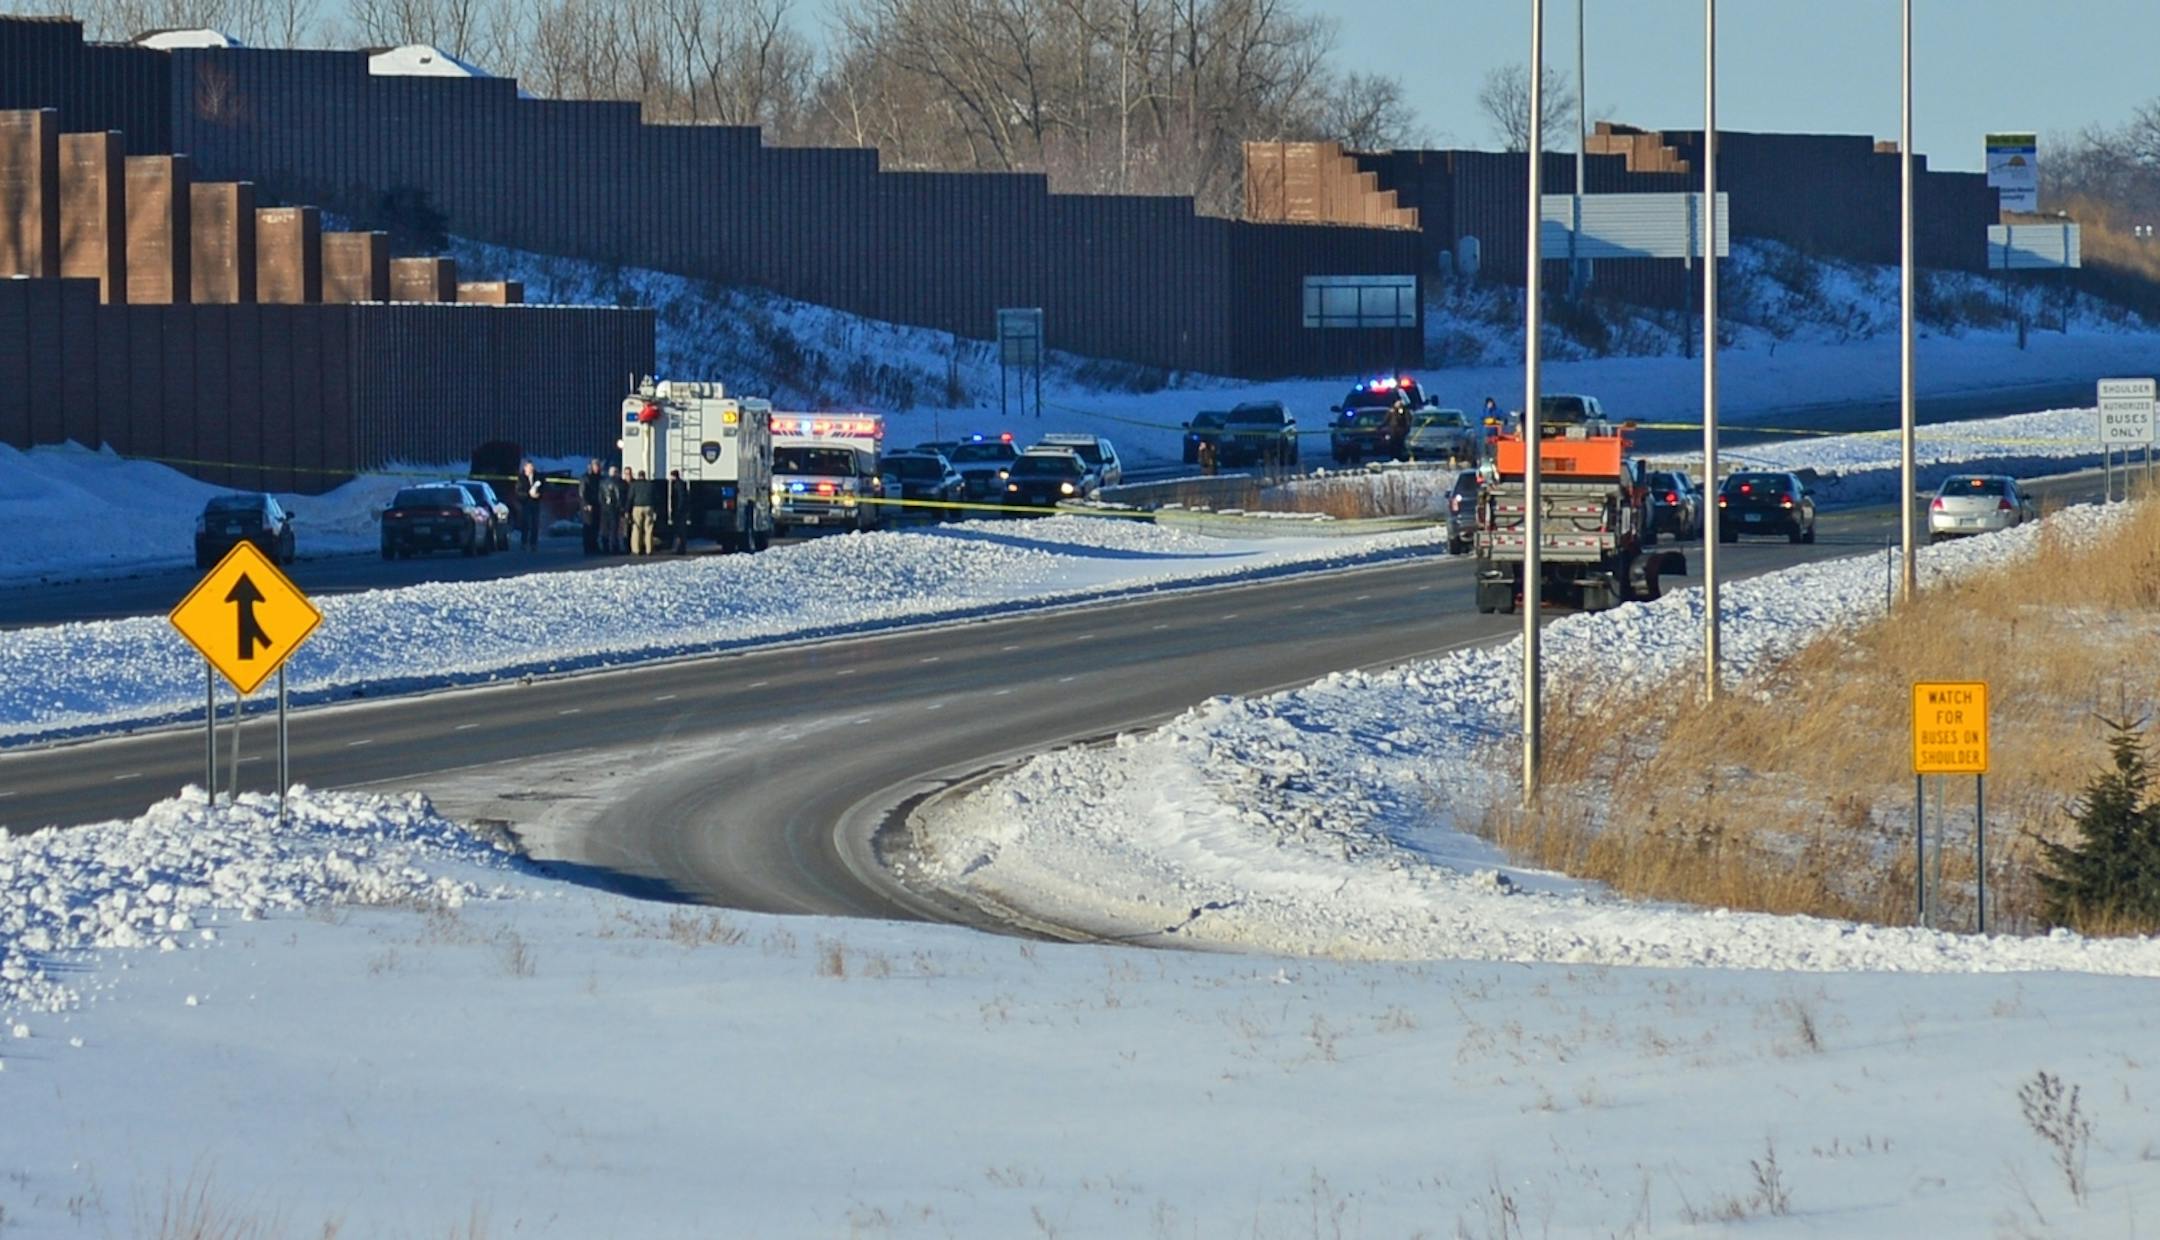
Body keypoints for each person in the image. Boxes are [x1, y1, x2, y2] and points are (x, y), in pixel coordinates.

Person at [628, 468, 660, 555]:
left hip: (637, 507)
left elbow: (630, 497)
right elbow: (656, 497)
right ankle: (649, 549)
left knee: (636, 528)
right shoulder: (650, 485)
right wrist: (656, 509)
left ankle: (636, 549)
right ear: (645, 476)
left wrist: (627, 509)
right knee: (649, 529)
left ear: (638, 476)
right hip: (649, 507)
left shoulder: (634, 485)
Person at [516, 460, 543, 551]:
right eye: (529, 467)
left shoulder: (538, 477)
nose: (531, 469)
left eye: (532, 467)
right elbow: (519, 492)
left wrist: (539, 495)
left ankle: (533, 544)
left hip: (535, 503)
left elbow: (544, 488)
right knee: (526, 523)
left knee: (535, 524)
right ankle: (524, 542)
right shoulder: (521, 478)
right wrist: (528, 494)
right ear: (525, 468)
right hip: (526, 503)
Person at [579, 459, 604, 555]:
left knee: (596, 526)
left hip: (597, 504)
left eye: (598, 466)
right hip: (588, 506)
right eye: (595, 466)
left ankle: (594, 545)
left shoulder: (600, 478)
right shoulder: (585, 477)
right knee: (588, 526)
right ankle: (587, 547)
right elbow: (582, 492)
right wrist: (586, 503)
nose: (597, 468)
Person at [599, 464, 625, 554]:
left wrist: (602, 505)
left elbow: (600, 497)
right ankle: (614, 547)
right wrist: (620, 507)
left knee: (605, 528)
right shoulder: (617, 483)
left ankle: (605, 547)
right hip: (614, 509)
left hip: (604, 508)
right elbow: (618, 496)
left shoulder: (602, 482)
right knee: (614, 529)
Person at [667, 469, 692, 553]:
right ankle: (680, 548)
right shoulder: (679, 484)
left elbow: (681, 498)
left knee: (680, 530)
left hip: (679, 511)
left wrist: (678, 509)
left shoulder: (678, 485)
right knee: (680, 530)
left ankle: (681, 548)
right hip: (680, 510)